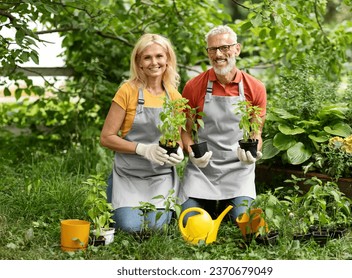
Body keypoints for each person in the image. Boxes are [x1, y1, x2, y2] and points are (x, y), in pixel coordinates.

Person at [179, 25, 267, 222]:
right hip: (203, 169)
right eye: (212, 49)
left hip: (238, 170)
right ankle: (209, 203)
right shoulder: (194, 86)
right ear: (208, 53)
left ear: (237, 49)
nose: (218, 54)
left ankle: (230, 203)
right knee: (189, 220)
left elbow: (256, 131)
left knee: (240, 219)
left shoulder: (255, 87)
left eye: (225, 47)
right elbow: (185, 130)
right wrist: (192, 152)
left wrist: (253, 153)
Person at [100, 34, 184, 233]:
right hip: (128, 174)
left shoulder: (174, 97)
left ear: (168, 59)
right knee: (130, 227)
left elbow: (177, 137)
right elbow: (106, 137)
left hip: (160, 175)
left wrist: (178, 150)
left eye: (159, 56)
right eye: (147, 57)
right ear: (138, 63)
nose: (154, 62)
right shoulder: (127, 91)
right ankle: (114, 191)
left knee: (157, 227)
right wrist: (143, 149)